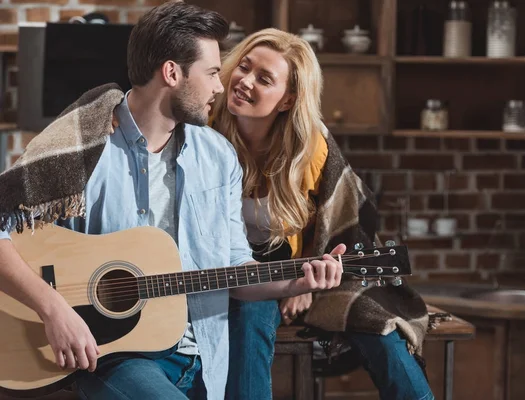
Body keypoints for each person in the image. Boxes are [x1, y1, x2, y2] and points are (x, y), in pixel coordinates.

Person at [0, 4, 343, 400]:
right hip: (117, 357)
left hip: (206, 357)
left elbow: (234, 269)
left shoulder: (218, 157)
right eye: (213, 73)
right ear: (172, 73)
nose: (220, 86)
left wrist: (297, 280)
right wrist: (52, 308)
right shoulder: (82, 151)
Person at [211, 29, 434, 400]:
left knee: (375, 320)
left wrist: (305, 281)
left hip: (292, 264)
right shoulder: (205, 128)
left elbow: (340, 218)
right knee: (248, 320)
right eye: (244, 67)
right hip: (225, 271)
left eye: (264, 79)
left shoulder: (309, 146)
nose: (244, 81)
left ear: (288, 100)